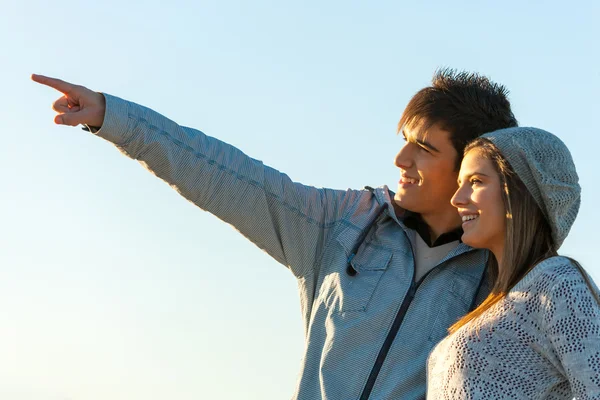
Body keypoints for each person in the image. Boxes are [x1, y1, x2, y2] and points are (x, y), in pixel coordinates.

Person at [32, 69, 518, 399]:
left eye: (425, 149)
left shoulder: (508, 276)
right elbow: (228, 176)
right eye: (404, 142)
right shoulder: (344, 223)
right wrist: (111, 118)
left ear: (471, 167)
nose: (401, 161)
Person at [427, 127, 600, 399]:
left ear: (519, 192)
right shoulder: (493, 301)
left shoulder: (557, 282)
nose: (457, 198)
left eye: (476, 181)